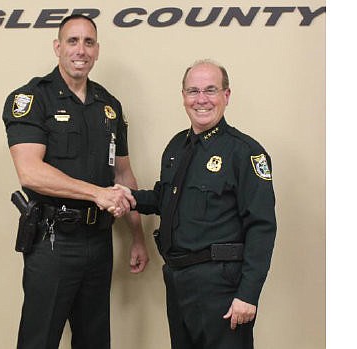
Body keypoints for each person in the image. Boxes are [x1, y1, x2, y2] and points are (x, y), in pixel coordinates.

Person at [1, 14, 149, 349]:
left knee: (94, 341)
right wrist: (96, 193)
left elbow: (123, 175)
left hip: (98, 242)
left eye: (88, 42)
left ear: (97, 51)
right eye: (72, 41)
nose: (80, 50)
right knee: (39, 341)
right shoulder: (32, 99)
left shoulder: (109, 106)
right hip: (53, 241)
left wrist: (137, 237)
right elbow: (30, 171)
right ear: (57, 47)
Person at [117, 59, 276, 348]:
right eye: (193, 91)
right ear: (183, 97)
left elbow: (262, 227)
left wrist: (248, 294)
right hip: (178, 281)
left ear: (226, 96)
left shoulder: (245, 153)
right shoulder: (177, 146)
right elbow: (164, 199)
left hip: (221, 286)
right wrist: (124, 197)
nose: (201, 99)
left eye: (210, 90)